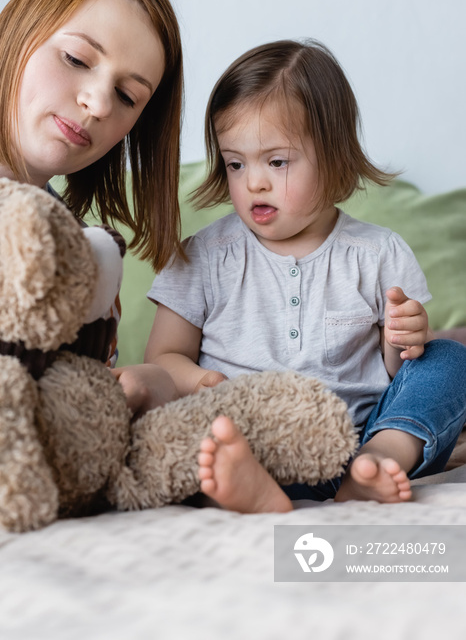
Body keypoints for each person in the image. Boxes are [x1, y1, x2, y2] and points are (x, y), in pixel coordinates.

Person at [144, 39, 466, 511]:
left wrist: (405, 340)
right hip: (247, 436)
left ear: (333, 156)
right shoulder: (204, 257)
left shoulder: (377, 252)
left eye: (277, 161)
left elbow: (397, 371)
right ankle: (254, 487)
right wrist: (201, 383)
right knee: (196, 441)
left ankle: (379, 461)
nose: (254, 181)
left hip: (353, 439)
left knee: (448, 359)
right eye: (236, 163)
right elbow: (163, 357)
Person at [0, 0, 182, 408]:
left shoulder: (91, 257)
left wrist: (151, 386)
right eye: (77, 59)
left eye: (127, 95)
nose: (99, 104)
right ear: (17, 32)